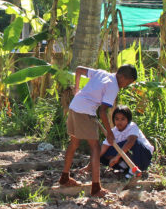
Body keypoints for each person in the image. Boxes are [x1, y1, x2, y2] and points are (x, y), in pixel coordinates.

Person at [58, 65, 137, 197]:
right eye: (127, 82)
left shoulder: (102, 73)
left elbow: (78, 69)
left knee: (74, 143)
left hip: (74, 106)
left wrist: (77, 90)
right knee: (95, 148)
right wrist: (110, 133)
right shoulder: (114, 86)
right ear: (122, 77)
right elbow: (102, 111)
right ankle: (96, 188)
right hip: (85, 112)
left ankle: (64, 178)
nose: (125, 85)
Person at [79, 105, 153, 177]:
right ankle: (124, 167)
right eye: (117, 119)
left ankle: (134, 168)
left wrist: (117, 157)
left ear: (128, 119)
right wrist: (89, 166)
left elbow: (131, 142)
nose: (119, 122)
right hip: (126, 157)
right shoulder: (113, 132)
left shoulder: (132, 127)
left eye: (123, 119)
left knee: (133, 143)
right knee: (103, 154)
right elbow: (102, 149)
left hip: (144, 156)